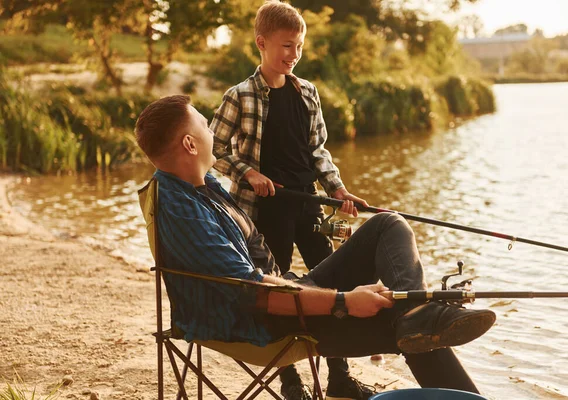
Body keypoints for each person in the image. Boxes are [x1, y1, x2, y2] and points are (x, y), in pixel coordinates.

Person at [134, 95, 497, 400]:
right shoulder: (181, 208)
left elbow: (259, 275)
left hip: (285, 294)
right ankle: (417, 317)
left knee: (388, 224)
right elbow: (252, 293)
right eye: (202, 124)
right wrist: (344, 300)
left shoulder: (203, 184)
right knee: (414, 333)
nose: (211, 131)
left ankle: (417, 313)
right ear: (189, 144)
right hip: (261, 323)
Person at [210, 2, 369, 396]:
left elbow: (318, 152)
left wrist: (337, 190)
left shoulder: (308, 93)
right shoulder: (240, 96)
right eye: (285, 46)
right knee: (278, 294)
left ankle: (339, 376)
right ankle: (289, 380)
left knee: (335, 288)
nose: (292, 55)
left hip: (308, 206)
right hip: (263, 212)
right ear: (261, 43)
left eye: (298, 47)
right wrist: (247, 173)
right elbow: (210, 149)